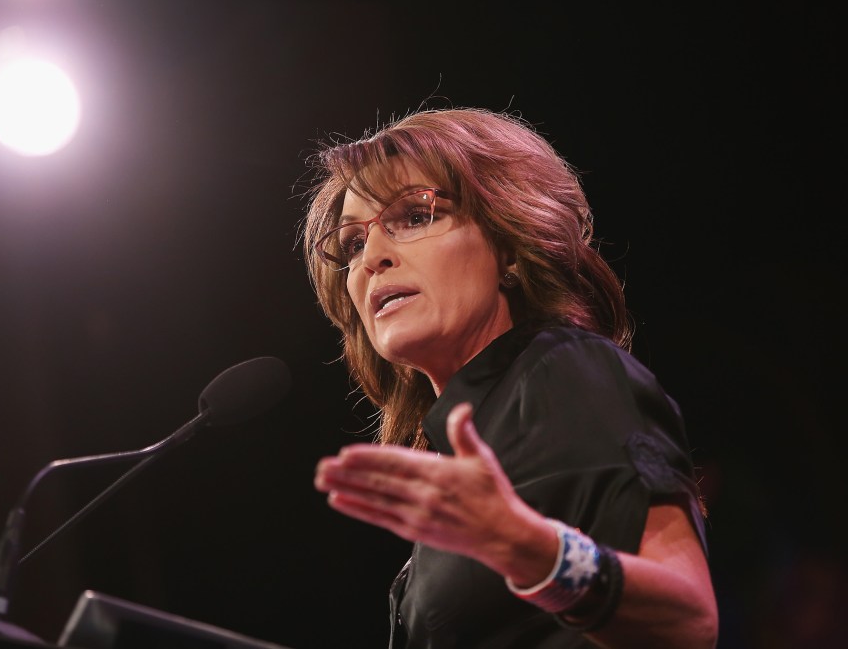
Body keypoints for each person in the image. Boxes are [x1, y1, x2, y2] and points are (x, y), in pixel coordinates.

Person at [300, 107, 718, 648]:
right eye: (353, 243)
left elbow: (690, 623)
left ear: (510, 247)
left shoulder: (566, 371)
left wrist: (527, 549)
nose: (372, 258)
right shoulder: (466, 451)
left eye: (415, 216)